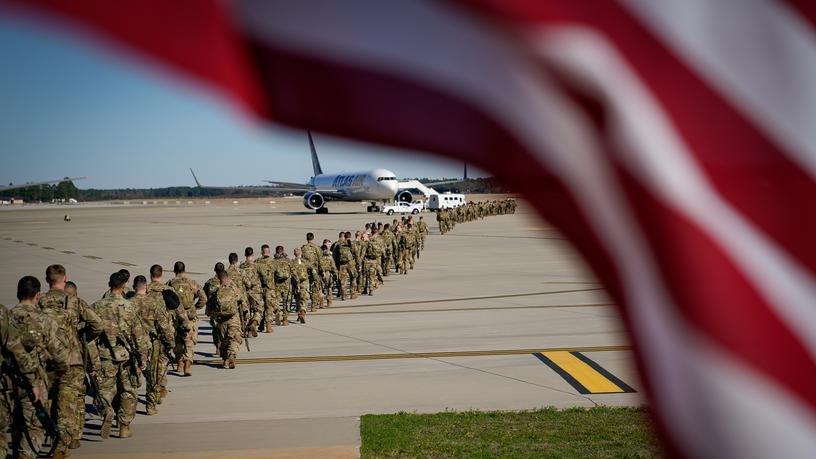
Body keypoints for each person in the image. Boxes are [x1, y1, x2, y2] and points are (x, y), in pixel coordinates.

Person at [38, 264, 103, 456]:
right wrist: (81, 337)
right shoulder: (74, 301)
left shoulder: (39, 301)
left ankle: (48, 439)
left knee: (47, 402)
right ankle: (63, 446)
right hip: (71, 361)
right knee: (67, 406)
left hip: (46, 361)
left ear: (47, 280)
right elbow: (97, 324)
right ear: (64, 279)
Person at [9, 276, 70, 459]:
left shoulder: (7, 317)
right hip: (34, 381)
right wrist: (58, 372)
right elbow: (59, 355)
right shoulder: (44, 320)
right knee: (34, 426)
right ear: (38, 295)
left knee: (14, 424)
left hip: (7, 380)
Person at [129, 275, 174, 415]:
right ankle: (150, 406)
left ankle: (128, 406)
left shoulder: (128, 304)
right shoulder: (154, 303)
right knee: (152, 375)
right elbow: (163, 326)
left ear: (133, 287)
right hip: (151, 344)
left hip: (132, 344)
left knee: (131, 375)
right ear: (146, 287)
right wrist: (170, 342)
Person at [167, 261, 206, 377]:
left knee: (177, 339)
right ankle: (188, 363)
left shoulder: (170, 284)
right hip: (189, 316)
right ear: (184, 270)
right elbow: (203, 298)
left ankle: (179, 363)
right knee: (189, 340)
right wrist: (195, 308)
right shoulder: (192, 283)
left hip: (176, 316)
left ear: (174, 271)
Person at [145, 264, 177, 399]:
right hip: (163, 332)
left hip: (145, 335)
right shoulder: (167, 290)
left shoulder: (143, 290)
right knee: (163, 361)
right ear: (161, 274)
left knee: (148, 365)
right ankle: (160, 387)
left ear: (150, 274)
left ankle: (153, 389)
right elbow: (178, 310)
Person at [208, 269, 243, 368]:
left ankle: (225, 359)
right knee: (234, 339)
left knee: (223, 341)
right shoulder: (234, 289)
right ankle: (231, 355)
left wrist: (213, 317)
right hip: (233, 318)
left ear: (219, 279)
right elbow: (242, 301)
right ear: (227, 278)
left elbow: (210, 306)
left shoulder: (215, 291)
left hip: (221, 320)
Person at [239, 247, 263, 336]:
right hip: (255, 291)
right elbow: (264, 276)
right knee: (258, 310)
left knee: (246, 311)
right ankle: (254, 323)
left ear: (245, 255)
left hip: (245, 292)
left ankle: (246, 329)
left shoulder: (241, 266)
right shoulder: (256, 265)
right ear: (252, 255)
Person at [254, 245, 277, 332]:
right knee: (269, 307)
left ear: (261, 252)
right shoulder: (273, 262)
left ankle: (260, 324)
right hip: (269, 287)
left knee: (260, 307)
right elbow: (278, 274)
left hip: (259, 288)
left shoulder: (257, 262)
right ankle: (268, 325)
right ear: (269, 252)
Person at [271, 246, 293, 325]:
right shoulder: (287, 260)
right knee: (286, 301)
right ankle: (285, 319)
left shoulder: (273, 261)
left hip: (277, 284)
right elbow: (293, 271)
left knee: (276, 301)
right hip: (286, 284)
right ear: (283, 251)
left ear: (276, 251)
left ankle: (277, 311)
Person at [290, 247, 310, 323]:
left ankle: (299, 314)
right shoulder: (305, 262)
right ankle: (302, 312)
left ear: (294, 254)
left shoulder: (292, 262)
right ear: (301, 253)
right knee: (304, 299)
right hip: (304, 282)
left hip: (295, 283)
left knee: (297, 299)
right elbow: (312, 270)